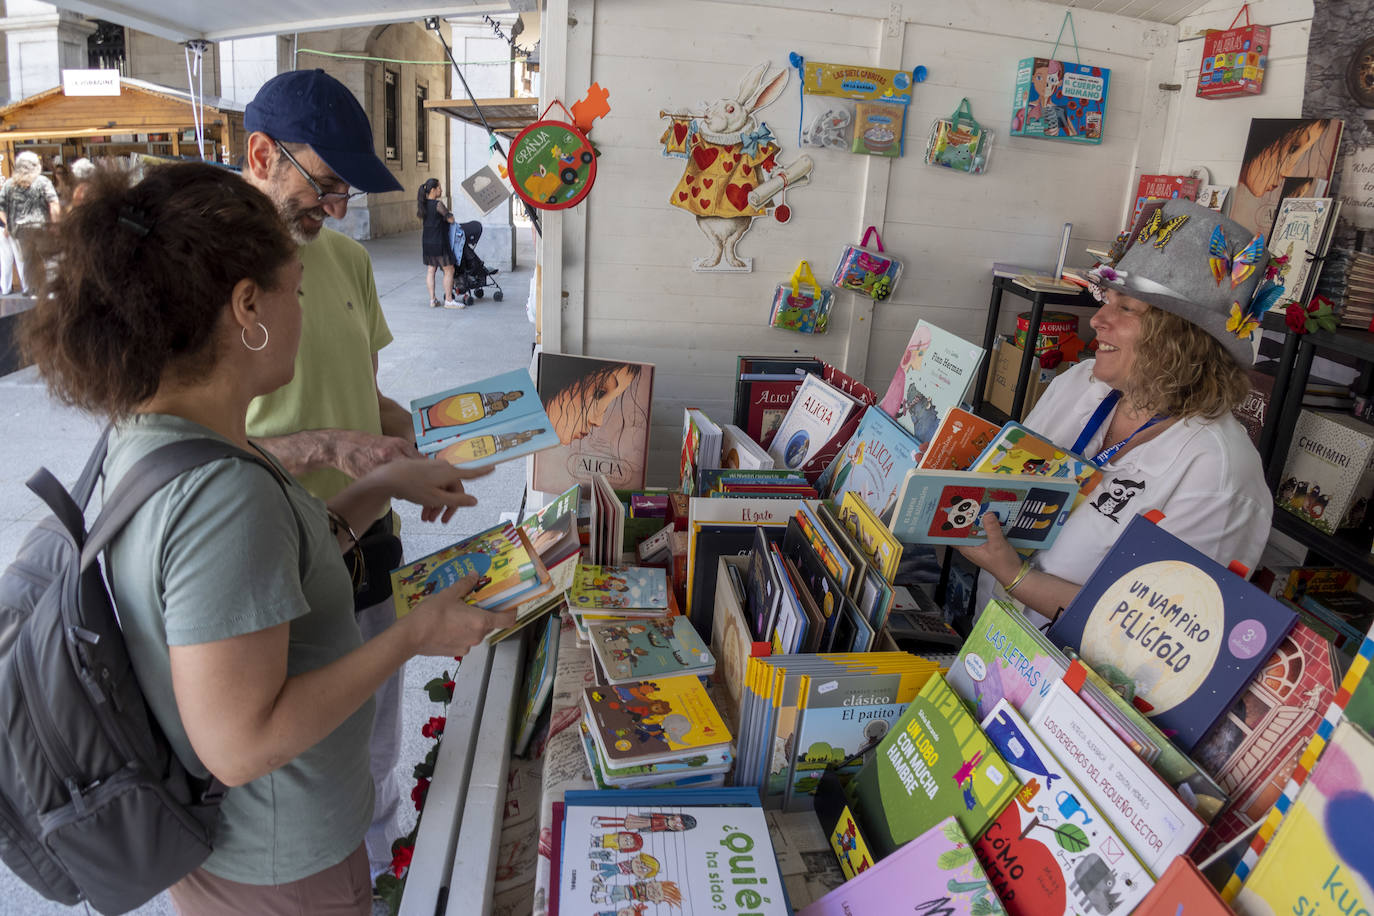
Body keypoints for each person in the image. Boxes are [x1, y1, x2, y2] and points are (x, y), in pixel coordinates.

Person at [19, 161, 513, 914]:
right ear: (247, 306)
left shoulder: (161, 434)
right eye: (298, 291)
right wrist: (413, 636)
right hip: (281, 867)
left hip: (241, 852)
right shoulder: (221, 496)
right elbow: (241, 742)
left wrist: (378, 487)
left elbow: (272, 571)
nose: (304, 312)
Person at [238, 68, 418, 881]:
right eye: (326, 184)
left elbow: (367, 397)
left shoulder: (343, 260)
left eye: (348, 189)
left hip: (369, 549)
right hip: (277, 570)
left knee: (377, 741)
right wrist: (326, 448)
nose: (337, 208)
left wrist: (420, 440)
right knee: (299, 774)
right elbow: (181, 461)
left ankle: (376, 879)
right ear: (261, 153)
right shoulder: (198, 281)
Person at [961, 200, 1273, 626]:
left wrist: (1014, 577)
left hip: (1080, 684)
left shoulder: (1218, 472)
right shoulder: (1082, 382)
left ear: (1182, 339)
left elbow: (1161, 627)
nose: (1098, 320)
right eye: (1106, 299)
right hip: (992, 643)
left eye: (1125, 308)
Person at [0, 150, 60, 294]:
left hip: (19, 230)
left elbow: (1, 208)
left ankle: (31, 289)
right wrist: (55, 225)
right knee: (48, 258)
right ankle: (51, 289)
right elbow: (54, 204)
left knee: (27, 260)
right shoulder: (43, 182)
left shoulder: (8, 184)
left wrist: (8, 224)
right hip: (41, 227)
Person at [418, 177, 460, 309]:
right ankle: (448, 299)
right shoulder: (438, 204)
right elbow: (450, 219)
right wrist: (449, 215)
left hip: (427, 241)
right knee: (449, 269)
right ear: (433, 190)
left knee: (431, 270)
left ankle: (432, 300)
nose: (441, 190)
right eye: (439, 187)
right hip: (439, 241)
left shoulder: (423, 205)